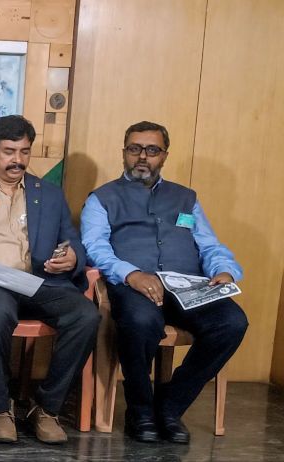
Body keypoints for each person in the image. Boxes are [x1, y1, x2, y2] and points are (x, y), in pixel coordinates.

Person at [81, 121, 247, 444]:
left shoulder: (186, 198)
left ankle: (170, 406)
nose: (142, 157)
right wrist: (131, 274)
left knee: (232, 322)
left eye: (152, 150)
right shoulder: (102, 198)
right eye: (135, 149)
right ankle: (140, 410)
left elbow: (209, 245)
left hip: (188, 287)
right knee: (140, 321)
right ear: (124, 152)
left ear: (164, 156)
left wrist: (224, 270)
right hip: (134, 286)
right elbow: (94, 247)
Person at [0, 115, 99, 443]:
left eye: (24, 152)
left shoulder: (49, 194)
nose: (18, 160)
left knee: (86, 315)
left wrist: (72, 258)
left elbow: (72, 240)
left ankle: (47, 407)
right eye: (9, 152)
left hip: (41, 282)